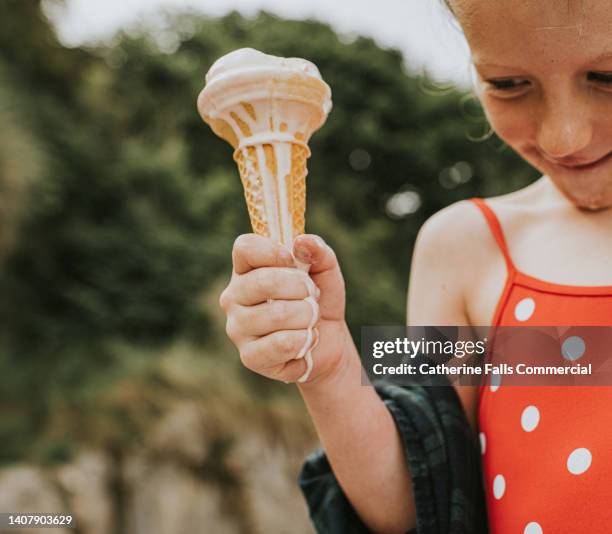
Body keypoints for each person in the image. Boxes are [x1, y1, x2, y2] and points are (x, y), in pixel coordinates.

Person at [218, 0, 612, 532]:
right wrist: (332, 365)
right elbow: (422, 497)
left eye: (608, 76)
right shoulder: (464, 247)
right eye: (509, 84)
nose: (564, 137)